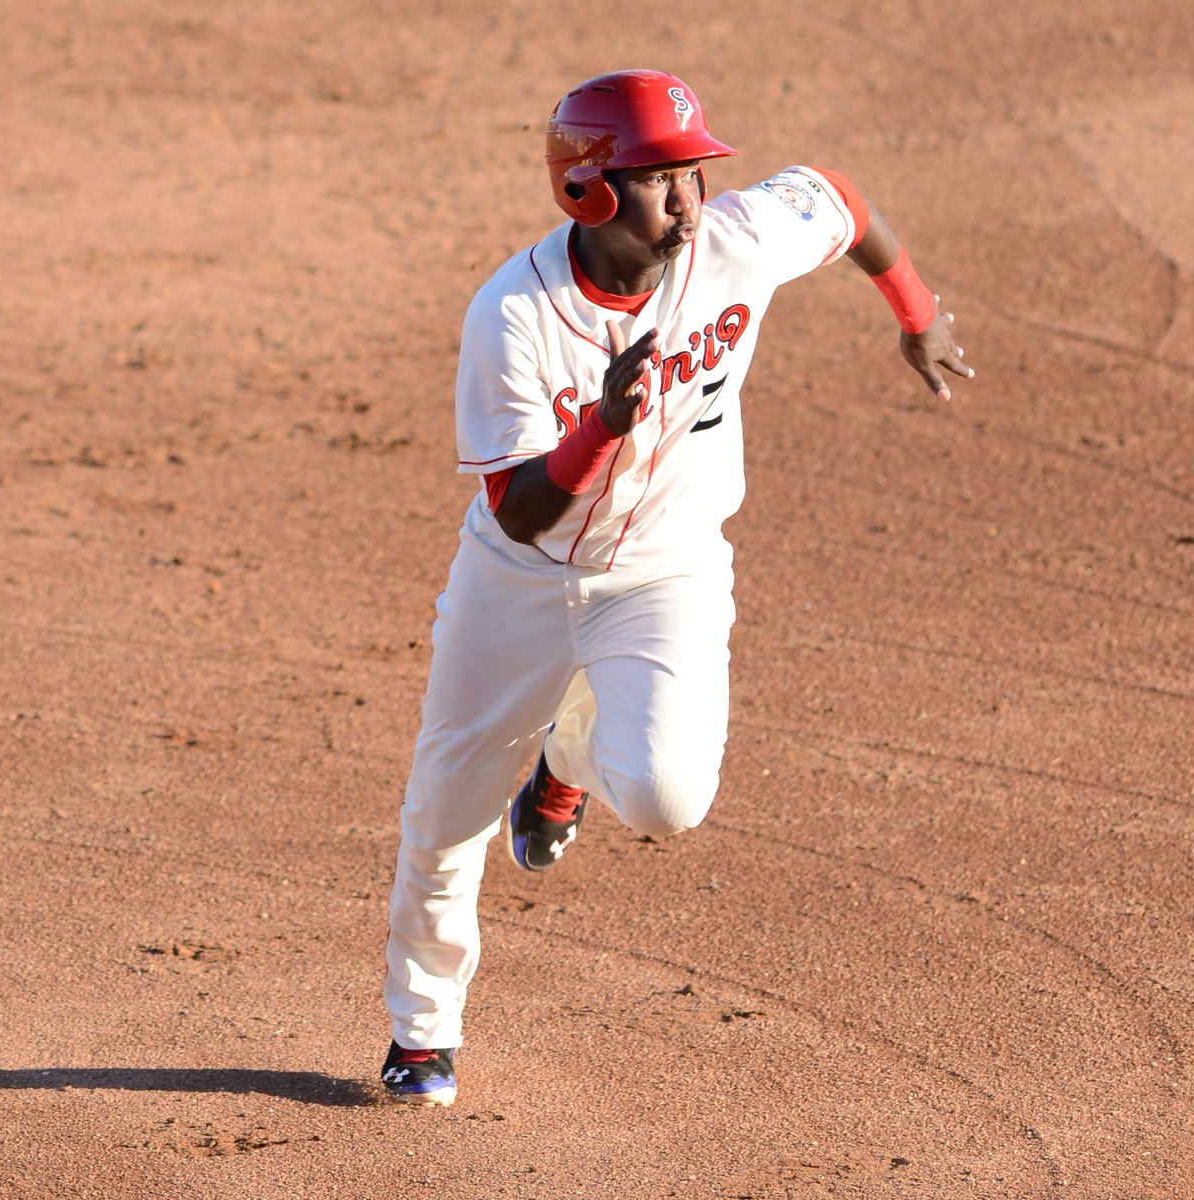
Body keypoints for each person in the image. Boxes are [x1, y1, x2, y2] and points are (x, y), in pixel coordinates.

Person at [379, 68, 973, 1105]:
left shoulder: (732, 241)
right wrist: (601, 426)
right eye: (661, 181)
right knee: (447, 816)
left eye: (696, 174)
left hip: (666, 570)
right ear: (590, 191)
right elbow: (521, 508)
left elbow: (839, 199)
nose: (689, 201)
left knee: (665, 800)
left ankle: (567, 757)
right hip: (518, 579)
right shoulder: (512, 314)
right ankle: (422, 1034)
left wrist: (915, 313)